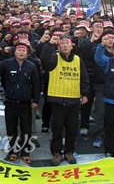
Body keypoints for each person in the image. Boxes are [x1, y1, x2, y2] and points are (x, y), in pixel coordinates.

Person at [41, 35, 89, 166]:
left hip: (73, 99)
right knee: (57, 128)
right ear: (59, 47)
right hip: (58, 99)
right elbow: (44, 60)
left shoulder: (78, 60)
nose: (65, 46)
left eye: (68, 44)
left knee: (72, 128)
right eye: (62, 44)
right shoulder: (54, 57)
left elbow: (84, 78)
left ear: (72, 46)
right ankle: (56, 153)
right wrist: (49, 45)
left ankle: (69, 151)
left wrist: (85, 94)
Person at [0, 41, 40, 164]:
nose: (21, 52)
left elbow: (36, 84)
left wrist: (35, 100)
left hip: (25, 104)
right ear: (15, 52)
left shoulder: (31, 66)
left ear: (27, 53)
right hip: (10, 103)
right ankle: (13, 151)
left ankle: (25, 152)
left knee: (26, 129)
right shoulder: (8, 63)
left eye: (24, 50)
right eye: (19, 50)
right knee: (11, 129)